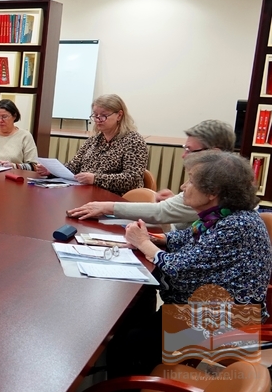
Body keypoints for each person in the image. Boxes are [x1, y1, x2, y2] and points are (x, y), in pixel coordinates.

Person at [105, 151, 272, 378]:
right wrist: (152, 239)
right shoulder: (221, 216)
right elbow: (181, 240)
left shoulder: (237, 225)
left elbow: (180, 267)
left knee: (129, 343)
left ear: (213, 192)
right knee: (134, 319)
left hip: (228, 322)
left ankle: (137, 381)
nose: (183, 186)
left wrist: (144, 243)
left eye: (192, 180)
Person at [67, 120, 235, 229]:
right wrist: (175, 199)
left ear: (214, 153)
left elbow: (161, 212)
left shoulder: (220, 184)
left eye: (190, 150)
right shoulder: (223, 175)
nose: (183, 155)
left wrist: (106, 207)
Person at [36, 94, 148, 195]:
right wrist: (52, 172)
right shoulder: (94, 140)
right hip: (85, 194)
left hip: (115, 200)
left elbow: (132, 179)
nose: (98, 120)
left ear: (119, 115)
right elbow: (74, 167)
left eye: (103, 116)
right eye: (95, 115)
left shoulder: (133, 141)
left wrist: (96, 179)